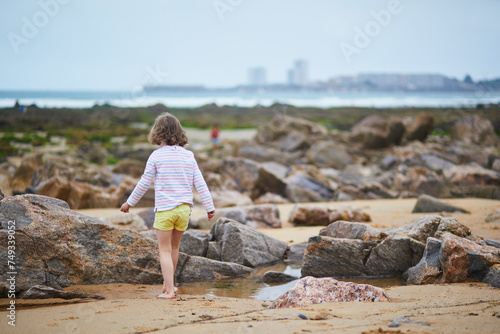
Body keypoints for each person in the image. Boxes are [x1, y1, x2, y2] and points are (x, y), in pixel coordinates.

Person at [120, 113, 215, 299]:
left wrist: (129, 202)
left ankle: (170, 290)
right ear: (179, 132)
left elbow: (143, 183)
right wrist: (209, 206)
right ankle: (169, 284)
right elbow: (200, 182)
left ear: (157, 133)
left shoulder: (156, 156)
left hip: (165, 210)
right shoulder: (189, 156)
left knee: (163, 249)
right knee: (174, 248)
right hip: (184, 210)